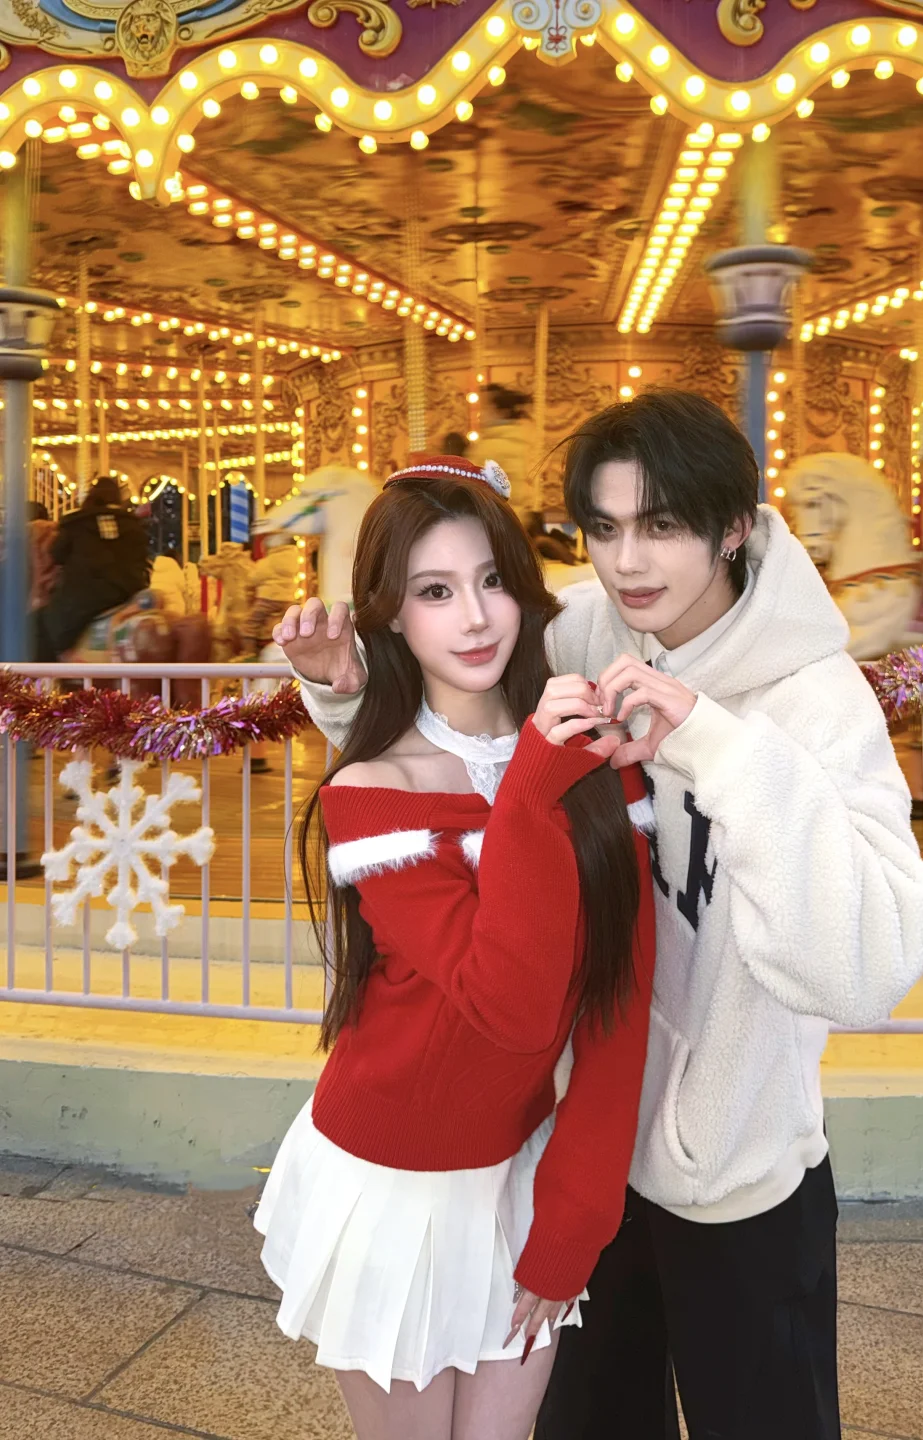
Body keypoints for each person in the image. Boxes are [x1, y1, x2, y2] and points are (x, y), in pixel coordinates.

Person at [274, 392, 923, 1440]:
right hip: (571, 1151)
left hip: (728, 1169)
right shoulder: (584, 630)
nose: (630, 561)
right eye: (604, 526)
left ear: (733, 526)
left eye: (662, 524)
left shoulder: (817, 702)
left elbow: (870, 965)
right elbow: (463, 738)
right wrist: (350, 696)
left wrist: (717, 748)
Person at [255, 454, 656, 1440]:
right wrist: (531, 785)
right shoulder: (374, 792)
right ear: (390, 615)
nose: (476, 619)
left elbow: (621, 1001)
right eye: (434, 592)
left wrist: (576, 1214)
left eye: (491, 581)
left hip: (520, 1167)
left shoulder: (590, 754)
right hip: (393, 1178)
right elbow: (508, 1003)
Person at [40, 474, 149, 660]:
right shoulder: (134, 525)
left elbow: (56, 555)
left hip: (87, 599)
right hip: (129, 593)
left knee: (43, 622)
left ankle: (53, 667)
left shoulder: (75, 523)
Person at [476, 384, 534, 519]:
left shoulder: (491, 446)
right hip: (510, 518)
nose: (480, 415)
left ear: (499, 412)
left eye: (485, 408)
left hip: (495, 519)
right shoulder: (517, 440)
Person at [244, 528, 300, 656]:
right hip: (287, 599)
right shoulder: (293, 559)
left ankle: (249, 652)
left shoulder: (269, 561)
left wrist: (250, 578)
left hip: (268, 599)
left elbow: (254, 577)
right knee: (291, 624)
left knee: (250, 623)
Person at [149, 548, 191, 618]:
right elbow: (183, 586)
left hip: (156, 601)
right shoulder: (175, 567)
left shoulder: (156, 568)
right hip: (172, 604)